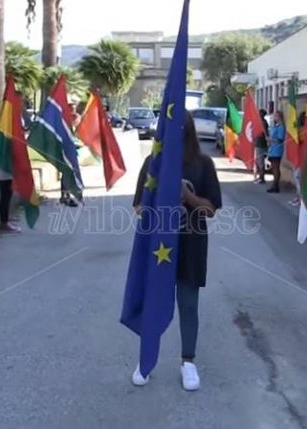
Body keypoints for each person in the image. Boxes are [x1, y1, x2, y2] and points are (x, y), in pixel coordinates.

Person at [131, 112, 222, 391]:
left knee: (188, 305)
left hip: (191, 244)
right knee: (154, 303)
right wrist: (163, 207)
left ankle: (188, 362)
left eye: (179, 128)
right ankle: (146, 360)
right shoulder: (152, 163)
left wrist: (189, 198)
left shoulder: (203, 164)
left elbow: (211, 209)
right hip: (159, 246)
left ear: (188, 130)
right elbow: (139, 207)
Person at [0, 111, 22, 233]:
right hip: (3, 167)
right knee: (5, 195)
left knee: (7, 194)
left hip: (5, 166)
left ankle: (6, 218)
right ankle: (4, 222)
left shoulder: (0, 133)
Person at [267, 110, 286, 193]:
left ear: (280, 117)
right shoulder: (274, 126)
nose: (274, 117)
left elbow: (280, 139)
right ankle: (274, 184)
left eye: (276, 116)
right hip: (272, 150)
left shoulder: (281, 127)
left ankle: (276, 185)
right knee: (273, 167)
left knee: (276, 167)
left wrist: (270, 139)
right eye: (274, 116)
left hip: (277, 150)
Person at [254, 109, 269, 184]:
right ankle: (260, 177)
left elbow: (262, 133)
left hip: (261, 144)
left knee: (260, 162)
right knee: (259, 161)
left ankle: (262, 178)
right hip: (259, 143)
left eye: (259, 113)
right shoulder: (261, 122)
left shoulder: (263, 123)